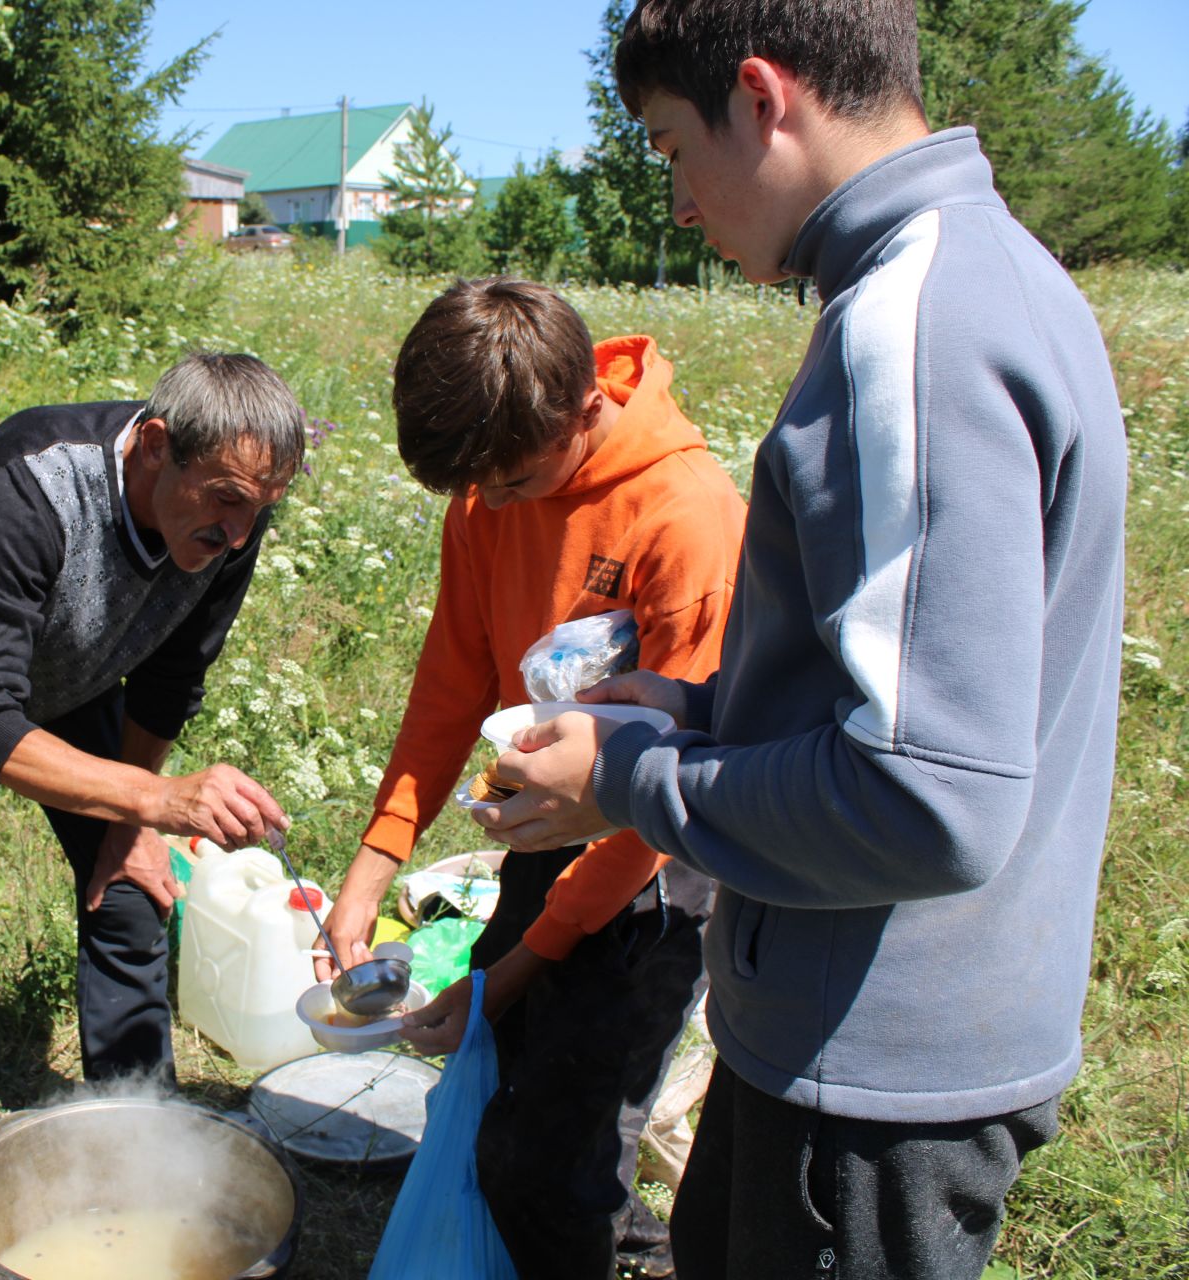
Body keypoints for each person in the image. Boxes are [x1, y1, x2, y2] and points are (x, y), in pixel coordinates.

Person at [445, 3, 1128, 1277]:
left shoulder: (913, 333)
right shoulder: (981, 279)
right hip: (839, 1024)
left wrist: (625, 777)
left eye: (665, 150)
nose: (680, 204)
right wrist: (691, 715)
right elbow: (906, 697)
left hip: (872, 1068)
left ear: (761, 98)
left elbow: (933, 798)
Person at [319, 278, 745, 1278]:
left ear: (588, 405)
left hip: (656, 870)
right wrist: (371, 868)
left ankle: (601, 1236)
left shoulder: (685, 517)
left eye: (512, 484)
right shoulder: (485, 488)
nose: (493, 507)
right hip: (549, 829)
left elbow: (676, 788)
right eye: (480, 491)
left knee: (567, 1147)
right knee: (502, 1102)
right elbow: (450, 685)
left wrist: (508, 972)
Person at [0, 351, 301, 1277]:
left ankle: (140, 1123)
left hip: (79, 681)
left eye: (256, 510)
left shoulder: (235, 513)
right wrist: (157, 797)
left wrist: (132, 822)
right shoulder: (32, 480)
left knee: (133, 888)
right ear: (155, 446)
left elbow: (169, 675)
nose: (236, 530)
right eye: (222, 499)